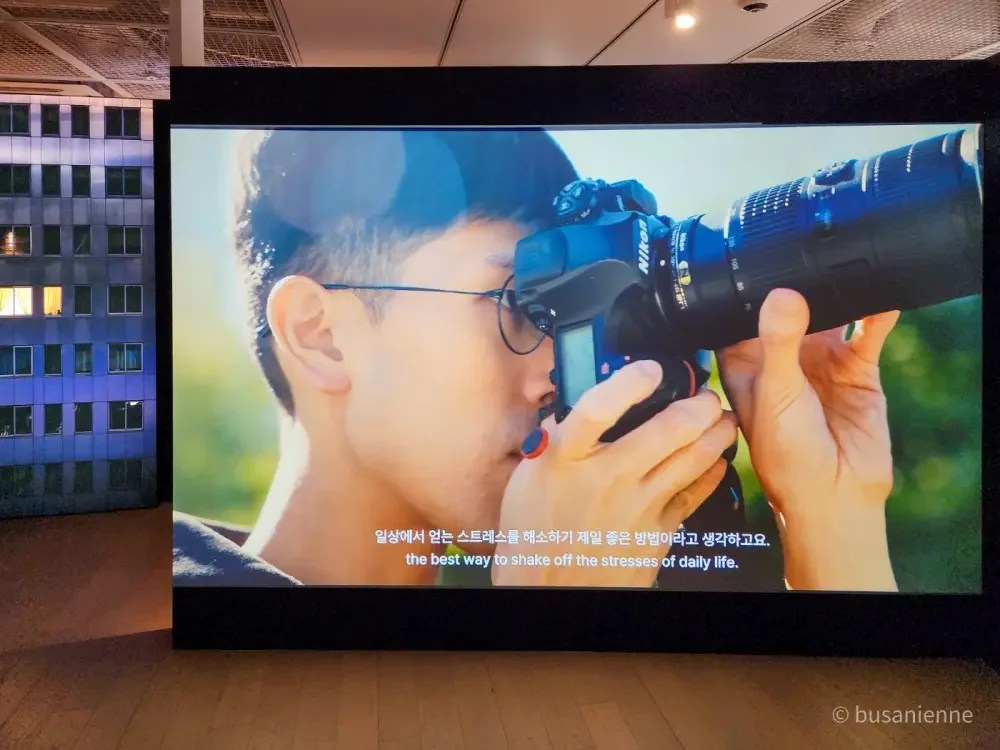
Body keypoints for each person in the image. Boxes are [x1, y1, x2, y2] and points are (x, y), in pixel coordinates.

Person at [173, 127, 899, 592]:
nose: (561, 375)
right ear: (320, 335)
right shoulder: (145, 638)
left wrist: (834, 528)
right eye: (521, 304)